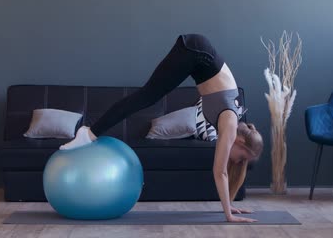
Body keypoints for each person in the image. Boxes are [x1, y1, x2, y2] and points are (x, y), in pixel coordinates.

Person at [60, 34, 264, 223]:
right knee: (146, 96)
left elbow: (224, 171)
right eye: (243, 158)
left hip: (196, 53)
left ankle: (89, 132)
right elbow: (219, 172)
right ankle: (87, 134)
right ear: (241, 141)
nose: (238, 161)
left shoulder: (230, 121)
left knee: (147, 96)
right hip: (196, 52)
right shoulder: (229, 124)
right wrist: (228, 214)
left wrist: (229, 206)